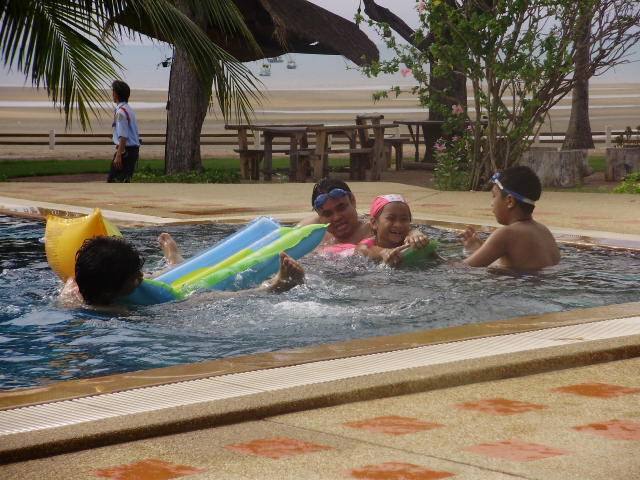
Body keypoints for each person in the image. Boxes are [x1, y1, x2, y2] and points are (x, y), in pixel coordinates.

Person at [60, 234, 305, 308]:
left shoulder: (87, 283)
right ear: (108, 293)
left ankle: (173, 264)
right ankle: (272, 288)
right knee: (198, 300)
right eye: (134, 278)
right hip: (166, 301)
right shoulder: (110, 309)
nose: (141, 277)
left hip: (144, 289)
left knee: (165, 282)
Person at [459, 166, 560, 271]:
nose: (491, 204)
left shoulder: (506, 234)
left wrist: (472, 252)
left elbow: (462, 268)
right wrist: (479, 251)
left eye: (494, 196)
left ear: (510, 201)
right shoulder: (544, 231)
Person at [297, 178, 429, 249]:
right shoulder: (309, 231)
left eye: (341, 208)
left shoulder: (372, 229)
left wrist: (413, 233)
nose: (337, 217)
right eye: (327, 214)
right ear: (319, 215)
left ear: (353, 201)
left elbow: (398, 228)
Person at [355, 194, 437, 266]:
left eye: (404, 219)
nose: (398, 225)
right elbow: (364, 250)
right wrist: (384, 252)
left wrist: (422, 243)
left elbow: (440, 262)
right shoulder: (366, 245)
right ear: (374, 223)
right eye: (391, 218)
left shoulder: (411, 240)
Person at [107, 80, 141, 183]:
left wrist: (119, 155)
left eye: (113, 92)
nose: (112, 94)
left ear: (116, 94)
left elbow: (124, 136)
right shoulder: (128, 109)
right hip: (132, 150)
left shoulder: (121, 112)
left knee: (114, 180)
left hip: (126, 151)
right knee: (125, 180)